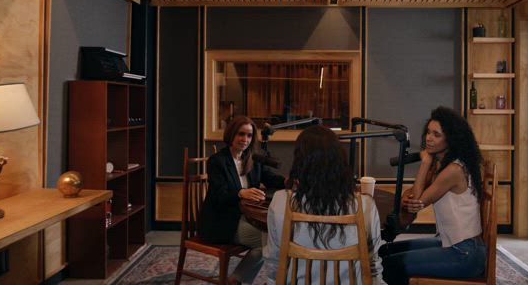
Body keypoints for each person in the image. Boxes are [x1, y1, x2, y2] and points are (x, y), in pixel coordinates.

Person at [264, 125, 386, 284]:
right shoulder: (365, 205)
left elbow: (274, 262)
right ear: (341, 162)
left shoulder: (281, 201)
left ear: (300, 163)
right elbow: (373, 265)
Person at [379, 106, 486, 284]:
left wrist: (425, 162)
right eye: (428, 132)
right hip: (449, 242)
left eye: (436, 135)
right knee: (384, 252)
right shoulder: (443, 164)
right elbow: (414, 196)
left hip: (465, 253)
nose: (429, 138)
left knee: (389, 264)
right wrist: (429, 165)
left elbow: (417, 203)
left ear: (451, 139)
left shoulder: (454, 169)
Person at [198, 115, 285, 284]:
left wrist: (289, 182)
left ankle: (236, 280)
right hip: (220, 222)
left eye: (249, 135)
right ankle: (271, 279)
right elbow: (219, 195)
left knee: (270, 239)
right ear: (231, 134)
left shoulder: (252, 159)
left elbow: (271, 179)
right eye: (241, 134)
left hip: (245, 218)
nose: (245, 139)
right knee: (270, 241)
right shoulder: (217, 161)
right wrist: (240, 193)